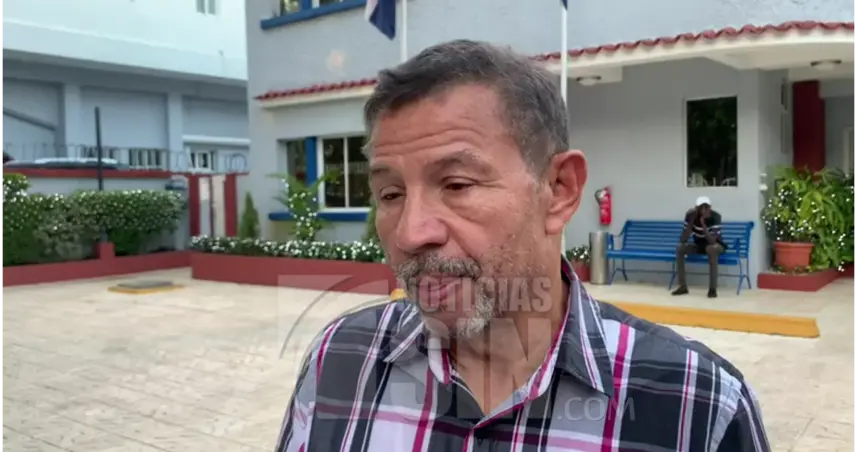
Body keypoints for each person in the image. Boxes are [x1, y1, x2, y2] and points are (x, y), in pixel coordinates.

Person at [275, 40, 769, 452]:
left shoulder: (698, 406)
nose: (410, 233)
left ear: (559, 190)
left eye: (457, 184)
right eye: (390, 194)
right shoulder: (339, 360)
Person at [672, 196, 724, 298]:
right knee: (680, 248)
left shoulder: (716, 217)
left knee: (711, 249)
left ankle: (712, 289)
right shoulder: (690, 216)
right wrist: (691, 222)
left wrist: (703, 225)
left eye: (706, 207)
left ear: (710, 207)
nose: (703, 210)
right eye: (701, 207)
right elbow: (683, 239)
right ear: (696, 208)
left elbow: (712, 241)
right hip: (699, 245)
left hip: (716, 246)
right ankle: (682, 286)